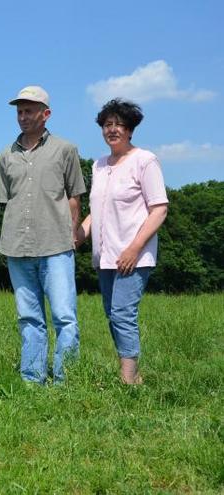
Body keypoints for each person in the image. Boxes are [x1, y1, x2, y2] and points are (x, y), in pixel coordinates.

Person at [0, 86, 86, 385]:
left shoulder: (66, 150)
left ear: (45, 114)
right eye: (19, 111)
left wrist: (74, 234)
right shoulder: (5, 156)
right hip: (16, 247)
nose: (23, 117)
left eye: (29, 111)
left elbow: (75, 197)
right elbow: (8, 200)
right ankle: (32, 380)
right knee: (29, 318)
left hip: (56, 245)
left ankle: (66, 380)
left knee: (64, 317)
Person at [75, 99, 168, 385]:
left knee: (123, 314)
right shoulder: (99, 165)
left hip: (133, 255)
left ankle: (129, 379)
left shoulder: (145, 160)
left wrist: (134, 248)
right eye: (107, 124)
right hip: (104, 256)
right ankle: (131, 373)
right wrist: (79, 233)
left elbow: (159, 209)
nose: (112, 129)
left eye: (119, 124)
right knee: (111, 315)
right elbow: (97, 209)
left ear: (130, 130)